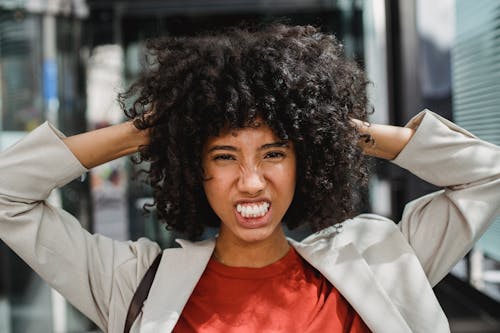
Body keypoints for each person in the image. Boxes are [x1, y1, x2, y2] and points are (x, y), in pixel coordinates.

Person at [0, 24, 499, 333]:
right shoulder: (133, 284)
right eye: (223, 156)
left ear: (305, 158)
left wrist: (346, 131)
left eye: (274, 152)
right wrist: (143, 133)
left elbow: (489, 177)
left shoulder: (378, 258)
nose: (252, 181)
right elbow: (8, 195)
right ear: (195, 168)